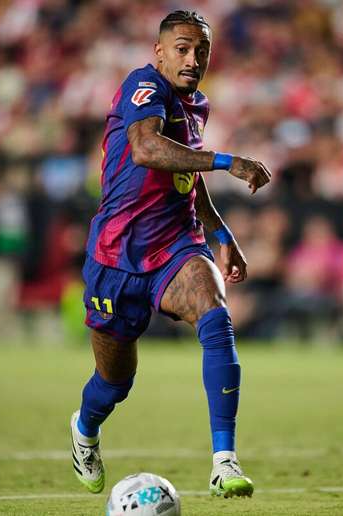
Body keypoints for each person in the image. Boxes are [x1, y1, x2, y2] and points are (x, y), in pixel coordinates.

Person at [69, 10, 271, 499]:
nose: (193, 58)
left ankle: (224, 461)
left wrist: (221, 234)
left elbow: (187, 177)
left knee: (215, 314)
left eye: (201, 50)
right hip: (117, 256)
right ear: (159, 51)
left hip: (176, 245)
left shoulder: (197, 104)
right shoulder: (143, 86)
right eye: (182, 48)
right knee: (115, 381)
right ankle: (85, 429)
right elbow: (146, 149)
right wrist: (228, 160)